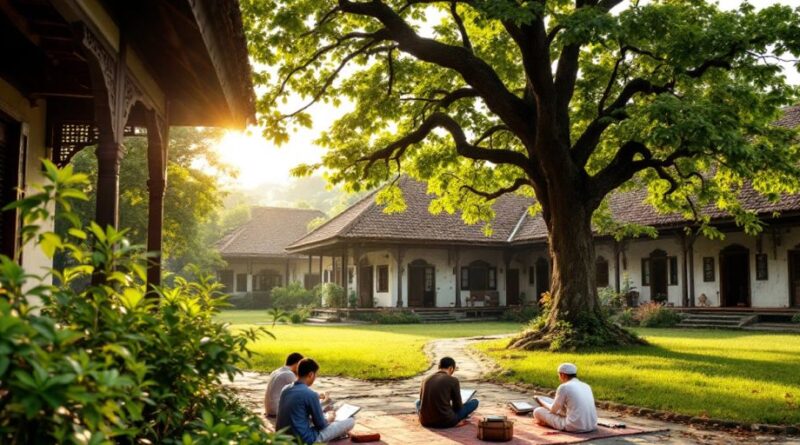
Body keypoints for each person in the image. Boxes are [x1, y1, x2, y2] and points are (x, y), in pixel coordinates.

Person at [276, 358, 355, 444]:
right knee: (351, 420)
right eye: (316, 375)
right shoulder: (310, 394)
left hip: (282, 437)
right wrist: (329, 417)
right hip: (305, 440)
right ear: (311, 374)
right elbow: (321, 425)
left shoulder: (285, 389)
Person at [533, 363, 597, 433]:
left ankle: (548, 423)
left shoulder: (564, 387)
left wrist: (540, 400)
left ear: (563, 375)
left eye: (559, 375)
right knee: (562, 409)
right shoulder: (586, 386)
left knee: (537, 411)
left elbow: (553, 410)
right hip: (592, 425)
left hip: (574, 426)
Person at [417, 357, 479, 428]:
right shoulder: (453, 380)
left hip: (425, 421)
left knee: (417, 402)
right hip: (446, 421)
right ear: (451, 368)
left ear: (439, 367)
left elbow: (422, 401)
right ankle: (457, 420)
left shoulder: (425, 379)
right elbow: (457, 407)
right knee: (475, 402)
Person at [264, 352, 304, 417]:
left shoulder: (276, 371)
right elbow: (302, 391)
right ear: (297, 364)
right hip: (276, 410)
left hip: (269, 409)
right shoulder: (289, 374)